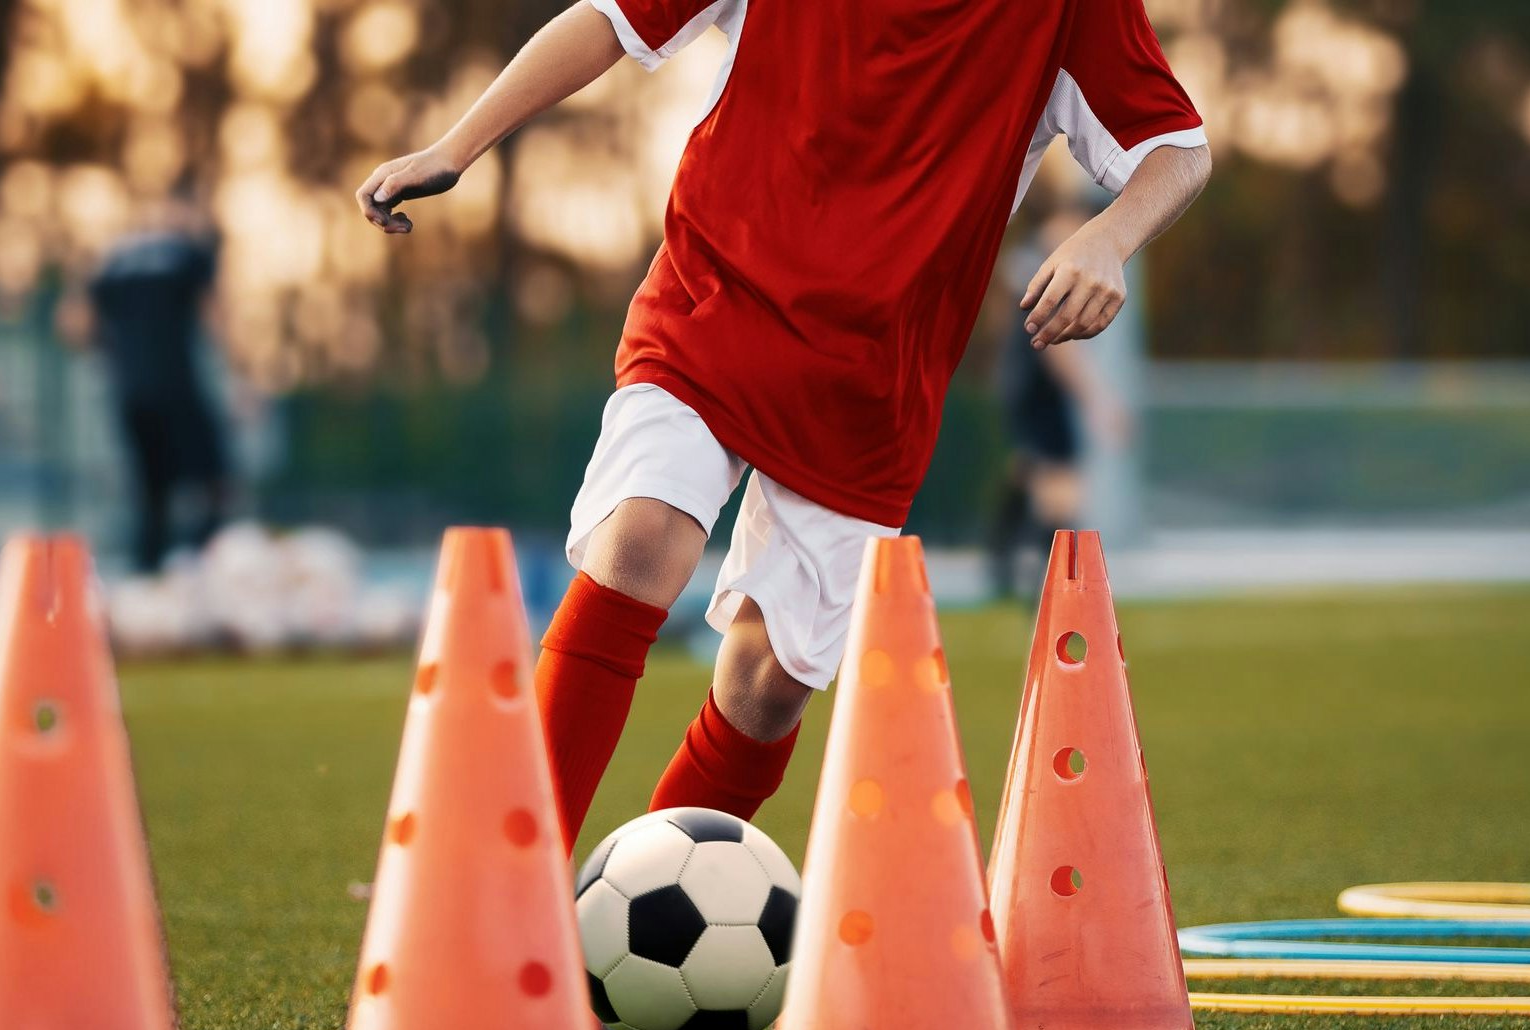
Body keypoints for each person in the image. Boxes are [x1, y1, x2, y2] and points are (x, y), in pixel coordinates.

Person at [355, 0, 1208, 845]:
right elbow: (610, 19)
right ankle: (514, 889)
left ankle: (647, 903)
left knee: (770, 683)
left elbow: (1178, 148)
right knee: (642, 537)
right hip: (715, 298)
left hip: (875, 377)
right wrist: (453, 147)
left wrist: (1110, 236)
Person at [66, 187, 241, 574]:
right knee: (216, 483)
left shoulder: (112, 260)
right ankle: (203, 566)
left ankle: (148, 573)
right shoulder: (187, 254)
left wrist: (115, 351)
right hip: (176, 384)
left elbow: (74, 325)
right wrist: (242, 378)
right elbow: (216, 317)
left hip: (130, 390)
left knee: (151, 492)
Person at [988, 193, 1134, 600]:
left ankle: (1004, 562)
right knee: (1061, 487)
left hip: (1021, 380)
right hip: (1038, 384)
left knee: (1030, 470)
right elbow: (1056, 344)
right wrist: (1098, 399)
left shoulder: (1032, 255)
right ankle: (1049, 589)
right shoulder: (1059, 259)